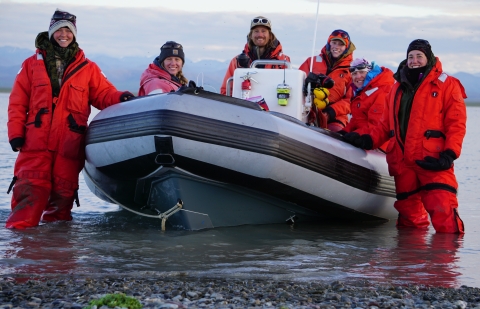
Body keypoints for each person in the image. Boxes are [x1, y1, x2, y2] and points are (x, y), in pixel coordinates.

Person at [6, 9, 134, 229]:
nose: (63, 34)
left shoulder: (88, 68)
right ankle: (21, 253)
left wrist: (121, 97)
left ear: (74, 34)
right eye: (59, 30)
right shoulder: (30, 65)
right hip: (35, 144)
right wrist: (16, 135)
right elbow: (17, 102)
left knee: (62, 199)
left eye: (68, 30)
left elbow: (103, 94)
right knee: (29, 192)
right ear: (51, 31)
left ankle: (57, 255)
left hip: (69, 145)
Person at [344, 39, 467, 234]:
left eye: (419, 56)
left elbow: (456, 124)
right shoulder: (397, 87)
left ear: (429, 58)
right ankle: (409, 262)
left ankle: (447, 263)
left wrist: (449, 154)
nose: (414, 60)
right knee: (410, 222)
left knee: (444, 215)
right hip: (403, 164)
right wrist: (366, 140)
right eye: (411, 56)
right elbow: (385, 124)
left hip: (433, 160)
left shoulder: (448, 85)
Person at [300, 29, 355, 132]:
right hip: (308, 111)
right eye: (334, 42)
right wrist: (308, 82)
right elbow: (297, 82)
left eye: (341, 44)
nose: (336, 47)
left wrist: (331, 111)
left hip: (336, 116)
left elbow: (351, 100)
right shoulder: (311, 62)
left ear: (346, 47)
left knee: (335, 135)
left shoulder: (352, 71)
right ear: (329, 43)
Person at [220, 16, 291, 96]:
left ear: (270, 35)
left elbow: (291, 88)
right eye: (256, 31)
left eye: (263, 31)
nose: (260, 35)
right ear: (250, 35)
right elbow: (225, 92)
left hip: (275, 107)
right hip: (244, 107)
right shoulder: (237, 61)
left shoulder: (283, 61)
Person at [340, 58, 394, 151]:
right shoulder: (364, 92)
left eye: (362, 72)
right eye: (354, 74)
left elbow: (377, 126)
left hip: (378, 147)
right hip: (363, 140)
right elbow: (357, 119)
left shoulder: (383, 92)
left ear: (370, 72)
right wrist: (344, 132)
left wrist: (356, 136)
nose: (358, 76)